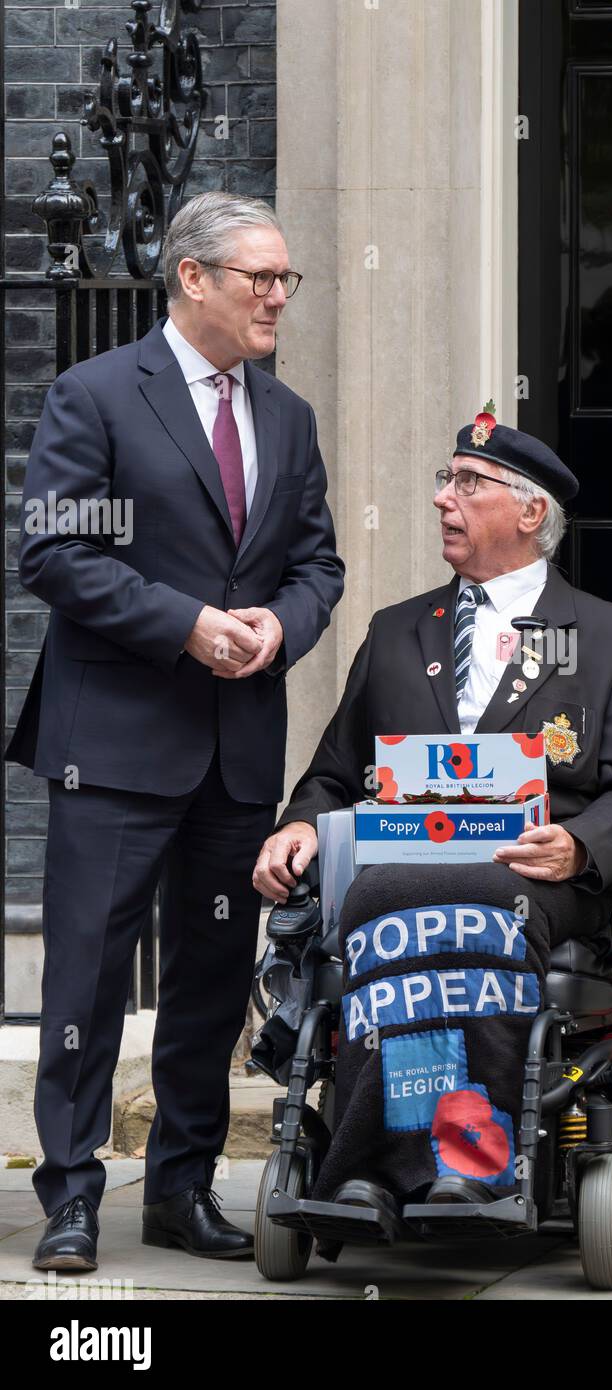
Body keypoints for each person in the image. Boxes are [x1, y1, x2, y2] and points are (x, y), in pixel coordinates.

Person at [6, 191, 345, 1271]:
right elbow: (55, 555)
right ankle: (69, 1195)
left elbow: (317, 566)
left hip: (235, 747)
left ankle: (184, 1189)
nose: (279, 296)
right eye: (262, 277)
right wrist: (187, 625)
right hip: (112, 745)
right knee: (88, 977)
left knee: (210, 975)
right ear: (192, 278)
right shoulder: (95, 394)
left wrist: (276, 627)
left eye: (288, 279)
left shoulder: (286, 416)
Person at [252, 410, 612, 1211]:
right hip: (406, 862)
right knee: (381, 895)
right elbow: (334, 775)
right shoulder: (396, 631)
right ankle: (394, 1164)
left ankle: (457, 1157)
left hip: (536, 875)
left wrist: (578, 846)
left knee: (471, 898)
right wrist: (299, 825)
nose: (444, 498)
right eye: (444, 479)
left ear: (529, 513)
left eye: (468, 483)